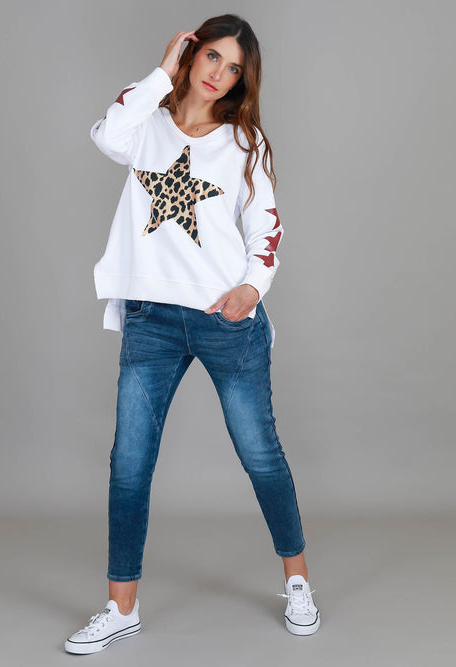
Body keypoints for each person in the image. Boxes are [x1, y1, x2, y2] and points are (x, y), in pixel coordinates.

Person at [65, 14, 320, 655]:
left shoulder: (245, 144)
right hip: (151, 317)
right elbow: (107, 133)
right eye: (211, 57)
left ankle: (297, 582)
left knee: (260, 455)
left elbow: (266, 229)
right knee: (129, 464)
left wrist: (251, 290)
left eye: (234, 69)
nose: (219, 74)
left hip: (223, 319)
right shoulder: (145, 125)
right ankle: (121, 608)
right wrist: (162, 72)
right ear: (191, 53)